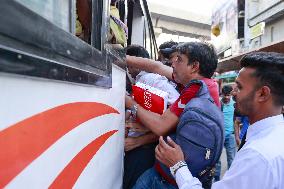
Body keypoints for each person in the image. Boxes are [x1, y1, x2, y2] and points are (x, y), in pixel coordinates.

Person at [155, 52, 284, 189]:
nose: (233, 93)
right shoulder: (274, 137)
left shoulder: (257, 156)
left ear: (263, 94)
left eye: (239, 87)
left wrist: (177, 165)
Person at [126, 41, 220, 189]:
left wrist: (130, 103)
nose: (172, 63)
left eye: (179, 59)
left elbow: (162, 126)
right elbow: (155, 66)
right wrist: (119, 57)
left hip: (177, 179)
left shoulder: (199, 88)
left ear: (194, 67)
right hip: (166, 172)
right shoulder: (192, 80)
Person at [123, 45, 179, 189]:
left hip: (143, 149)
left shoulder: (149, 78)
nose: (127, 69)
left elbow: (175, 104)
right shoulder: (143, 79)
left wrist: (140, 138)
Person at [214, 85, 237, 181]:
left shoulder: (235, 104)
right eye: (225, 95)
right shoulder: (218, 104)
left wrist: (237, 136)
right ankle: (217, 180)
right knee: (217, 160)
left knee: (231, 159)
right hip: (220, 135)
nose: (227, 97)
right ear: (222, 94)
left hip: (230, 135)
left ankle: (231, 180)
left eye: (229, 95)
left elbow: (236, 120)